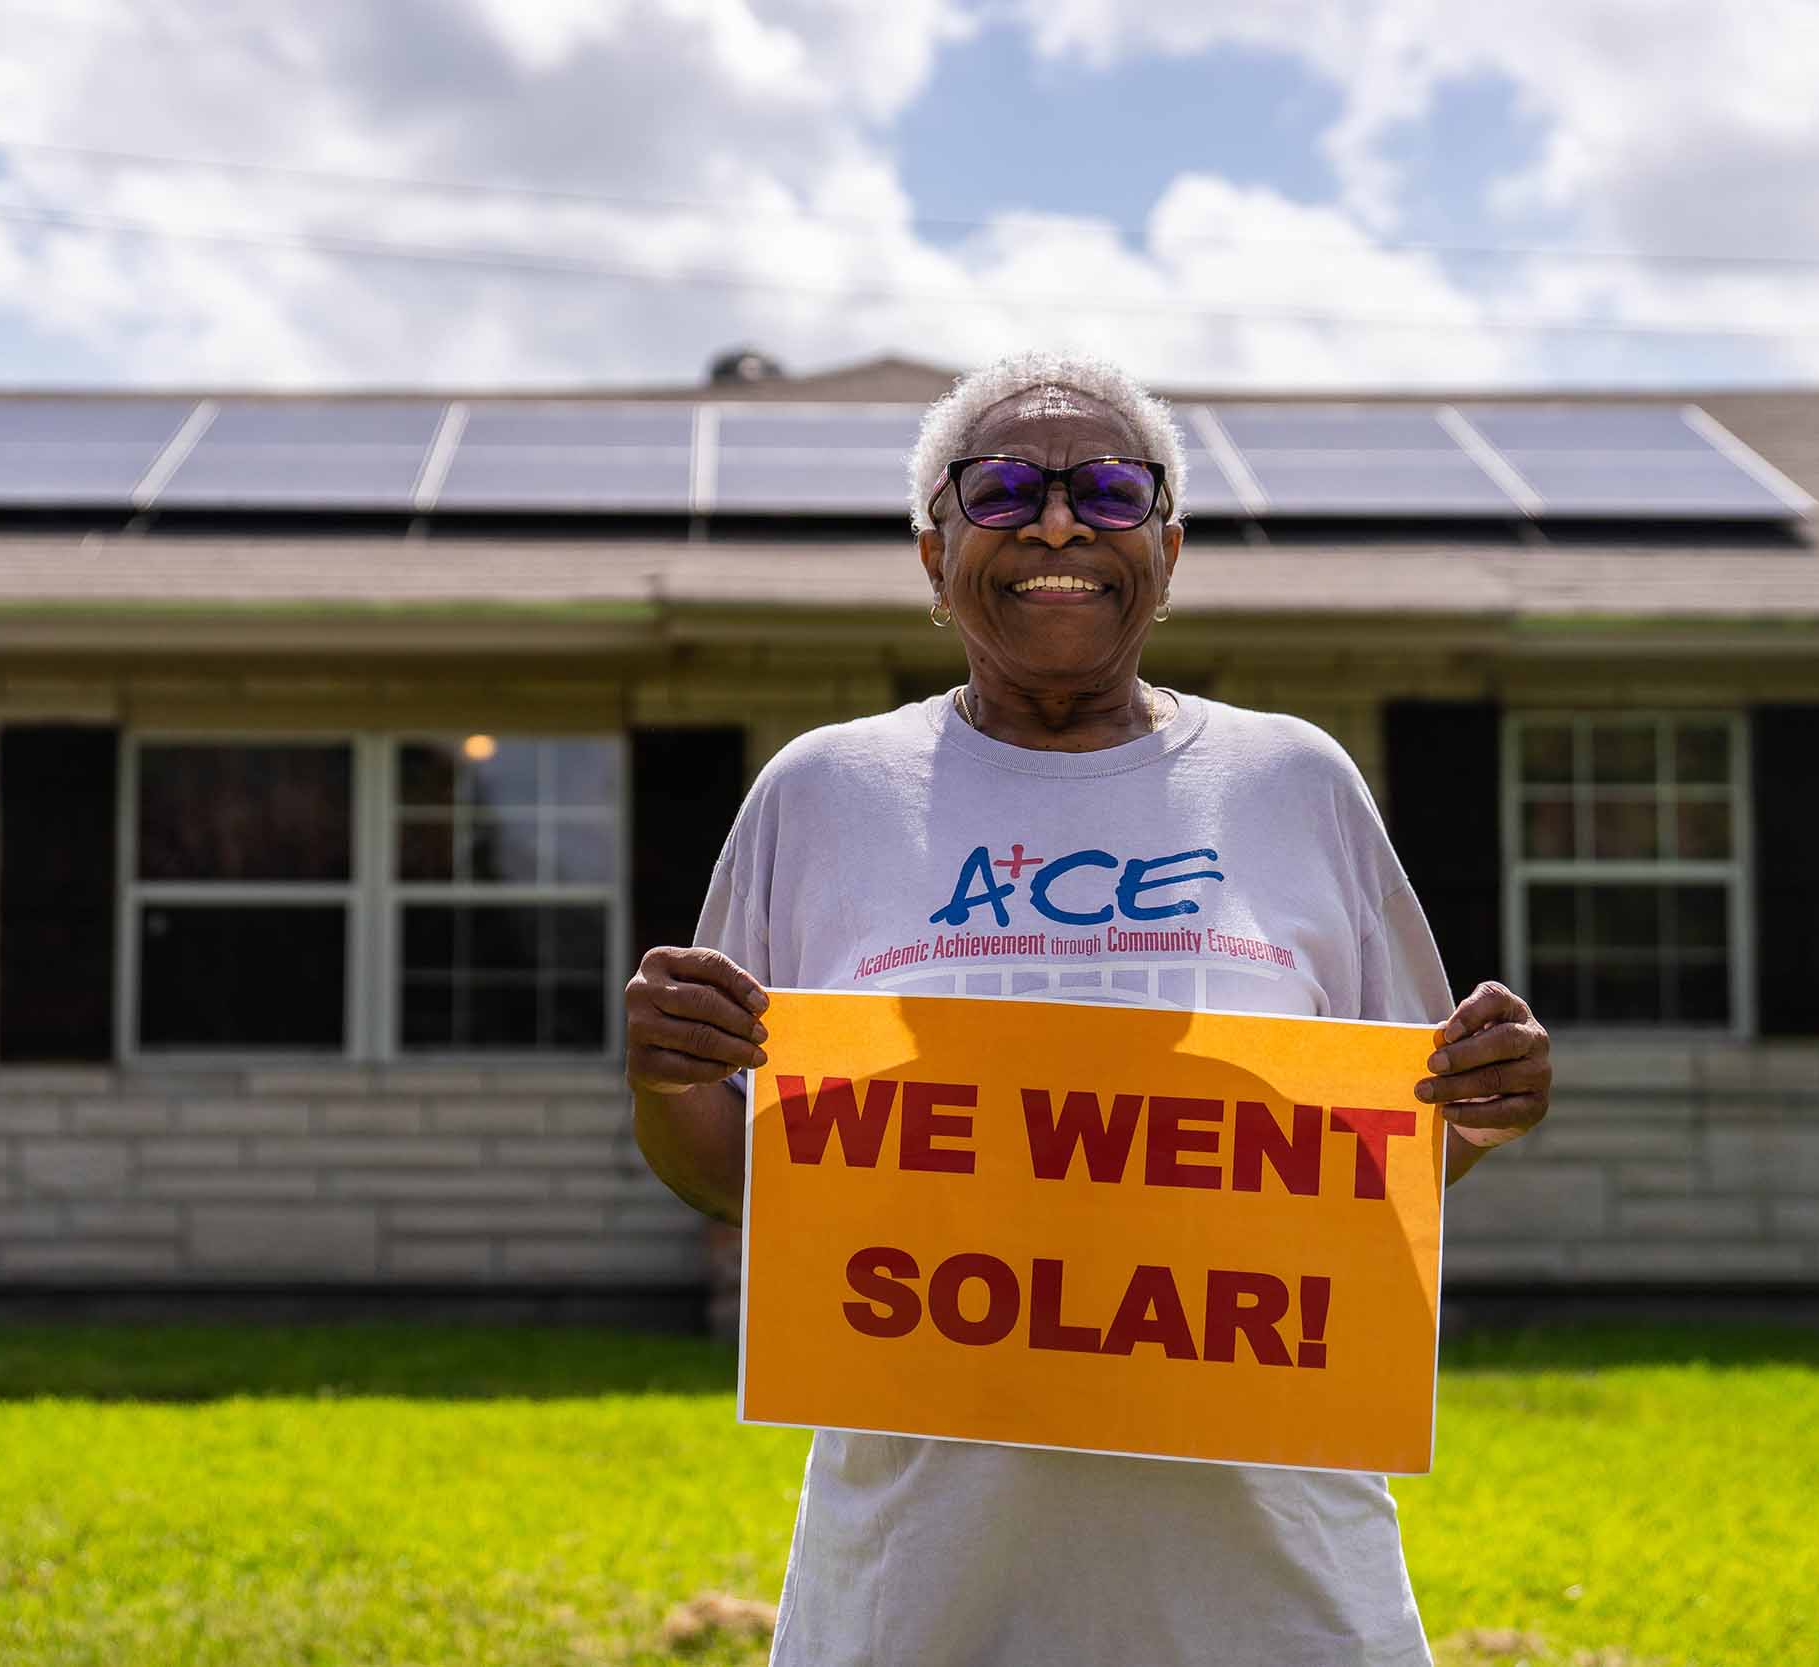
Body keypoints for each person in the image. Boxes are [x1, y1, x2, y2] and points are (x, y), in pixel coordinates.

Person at [626, 349, 1553, 1667]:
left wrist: (1485, 1103)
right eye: (1001, 488)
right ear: (932, 551)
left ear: (1167, 551)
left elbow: (1390, 1149)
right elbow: (740, 1173)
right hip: (925, 1577)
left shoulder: (1295, 781)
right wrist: (667, 1082)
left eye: (1111, 490)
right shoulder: (820, 792)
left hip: (1275, 1574)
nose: (1058, 521)